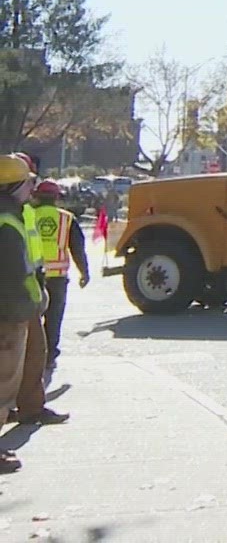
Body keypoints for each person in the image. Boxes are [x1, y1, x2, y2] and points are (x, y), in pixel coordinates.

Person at [9, 156, 64, 427]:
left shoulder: (24, 210)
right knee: (12, 364)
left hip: (27, 294)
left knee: (33, 354)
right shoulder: (10, 215)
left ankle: (30, 407)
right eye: (28, 180)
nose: (33, 186)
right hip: (15, 298)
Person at [0, 156, 42, 469]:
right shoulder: (8, 221)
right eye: (28, 182)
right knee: (3, 384)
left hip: (12, 310)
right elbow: (13, 274)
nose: (32, 187)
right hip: (9, 313)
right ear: (15, 186)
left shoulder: (11, 216)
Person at [27, 179, 87, 384]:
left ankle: (28, 356)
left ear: (36, 196)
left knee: (30, 319)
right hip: (58, 278)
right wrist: (84, 272)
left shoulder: (27, 216)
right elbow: (77, 248)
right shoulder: (66, 219)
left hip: (31, 277)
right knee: (54, 319)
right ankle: (49, 356)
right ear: (56, 198)